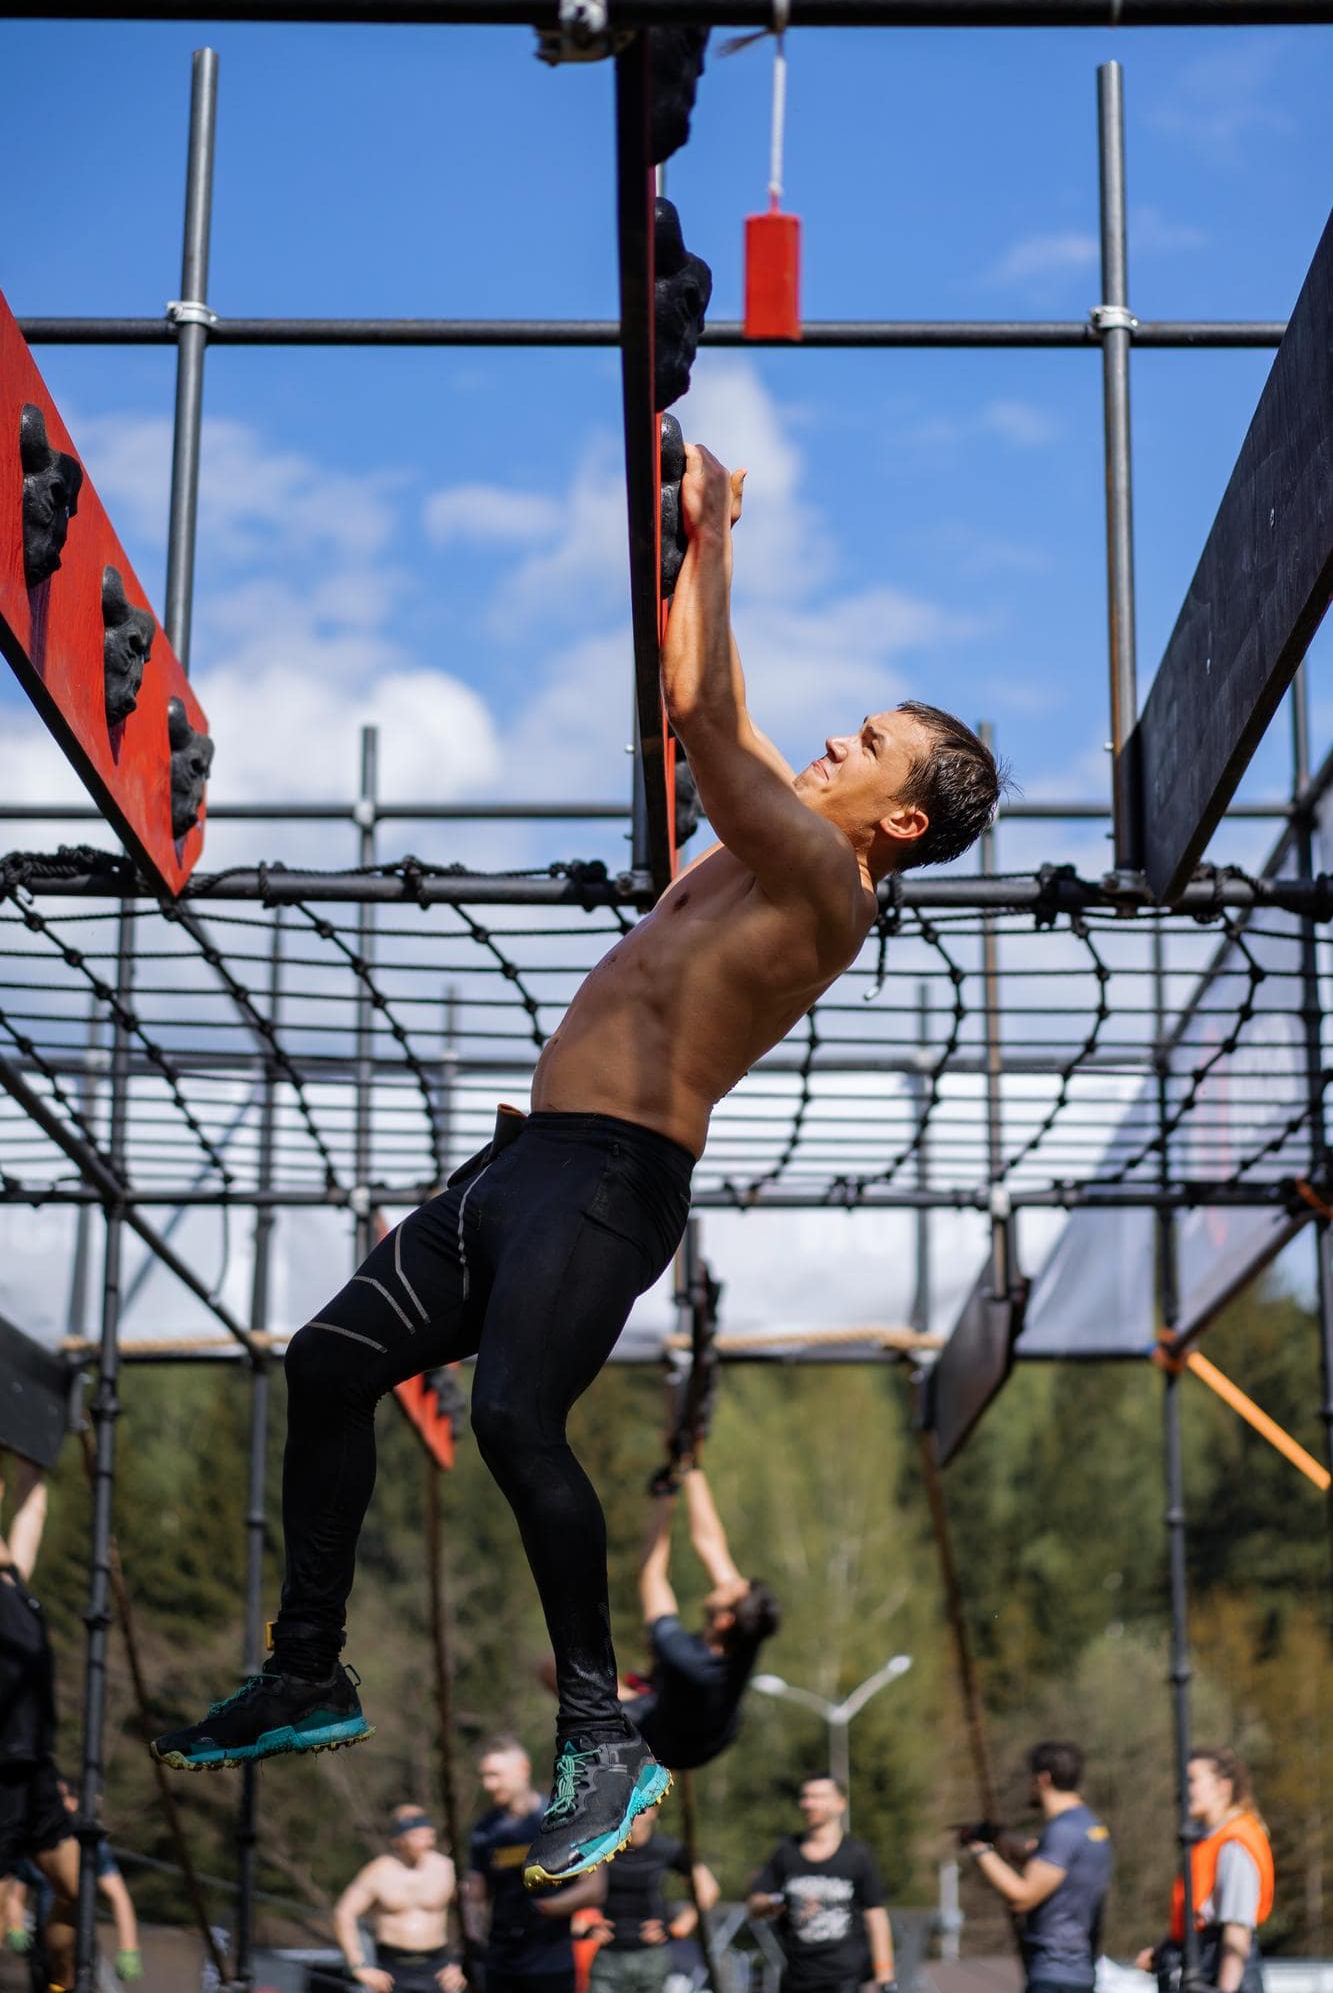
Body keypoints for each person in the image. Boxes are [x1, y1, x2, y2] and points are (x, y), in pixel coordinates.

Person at [152, 440, 1003, 1890]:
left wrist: (717, 537)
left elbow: (696, 715)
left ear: (901, 822)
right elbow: (715, 702)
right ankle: (308, 1671)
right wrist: (681, 545)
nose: (832, 741)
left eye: (863, 743)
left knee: (514, 1424)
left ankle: (601, 1737)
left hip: (612, 1181)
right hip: (518, 1167)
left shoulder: (822, 885)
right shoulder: (763, 843)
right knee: (329, 1364)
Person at [623, 1468, 779, 1770]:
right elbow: (710, 1544)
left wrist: (664, 1498)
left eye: (730, 1587)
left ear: (724, 1621)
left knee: (574, 1688)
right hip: (710, 1720)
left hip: (670, 1744)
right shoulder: (749, 1630)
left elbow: (651, 1573)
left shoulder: (686, 1657)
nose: (725, 1581)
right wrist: (691, 1469)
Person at [0, 1456, 79, 1992]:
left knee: (77, 1890)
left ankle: (60, 1984)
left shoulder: (15, 1582)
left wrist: (34, 1443)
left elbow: (33, 1505)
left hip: (35, 1766)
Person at [964, 1741, 1112, 1993]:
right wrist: (999, 1838)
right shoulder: (1089, 1827)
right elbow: (1041, 1858)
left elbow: (1022, 1896)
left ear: (1043, 1779)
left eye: (1030, 1779)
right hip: (1079, 1971)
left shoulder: (1062, 1831)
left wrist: (980, 1850)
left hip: (1054, 1973)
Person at [467, 1737, 608, 1993]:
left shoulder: (561, 1821)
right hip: (501, 1963)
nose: (489, 1785)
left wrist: (543, 1908)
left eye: (496, 1775)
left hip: (551, 1962)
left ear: (523, 1768)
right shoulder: (483, 1831)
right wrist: (473, 1937)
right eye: (484, 1776)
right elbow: (476, 1895)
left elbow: (594, 1888)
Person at [1135, 1748, 1273, 1993]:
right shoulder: (1207, 1840)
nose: (1184, 1790)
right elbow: (1200, 1913)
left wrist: (1224, 1989)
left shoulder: (1235, 1844)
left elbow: (1237, 1930)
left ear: (1223, 1787)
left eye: (1192, 1781)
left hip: (1221, 1972)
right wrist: (1164, 1951)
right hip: (1204, 1963)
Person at [748, 1776, 895, 1993]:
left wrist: (885, 1978)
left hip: (847, 1979)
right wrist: (774, 1902)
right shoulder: (786, 1851)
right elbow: (754, 1905)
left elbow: (876, 1918)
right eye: (805, 1797)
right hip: (796, 1976)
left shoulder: (857, 1855)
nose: (809, 1803)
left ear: (840, 1803)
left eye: (818, 1796)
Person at [5, 1777, 141, 1988]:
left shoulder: (90, 1847)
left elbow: (119, 1897)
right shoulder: (34, 1846)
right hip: (44, 1944)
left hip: (80, 1942)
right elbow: (16, 1893)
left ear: (73, 1802)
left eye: (59, 1798)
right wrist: (16, 1927)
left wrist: (129, 1948)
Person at [333, 1805, 465, 1993]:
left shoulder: (445, 1869)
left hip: (438, 1968)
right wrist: (359, 1966)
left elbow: (472, 1912)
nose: (425, 1841)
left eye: (428, 1835)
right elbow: (344, 1913)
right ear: (400, 1839)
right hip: (392, 1969)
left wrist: (462, 1962)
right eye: (416, 1835)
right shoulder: (379, 1871)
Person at [588, 1812, 718, 1993]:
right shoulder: (599, 1847)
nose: (635, 1815)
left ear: (655, 1811)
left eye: (642, 1809)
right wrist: (586, 1924)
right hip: (606, 1956)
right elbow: (572, 1887)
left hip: (650, 1958)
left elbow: (708, 1890)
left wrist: (678, 1928)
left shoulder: (667, 1848)